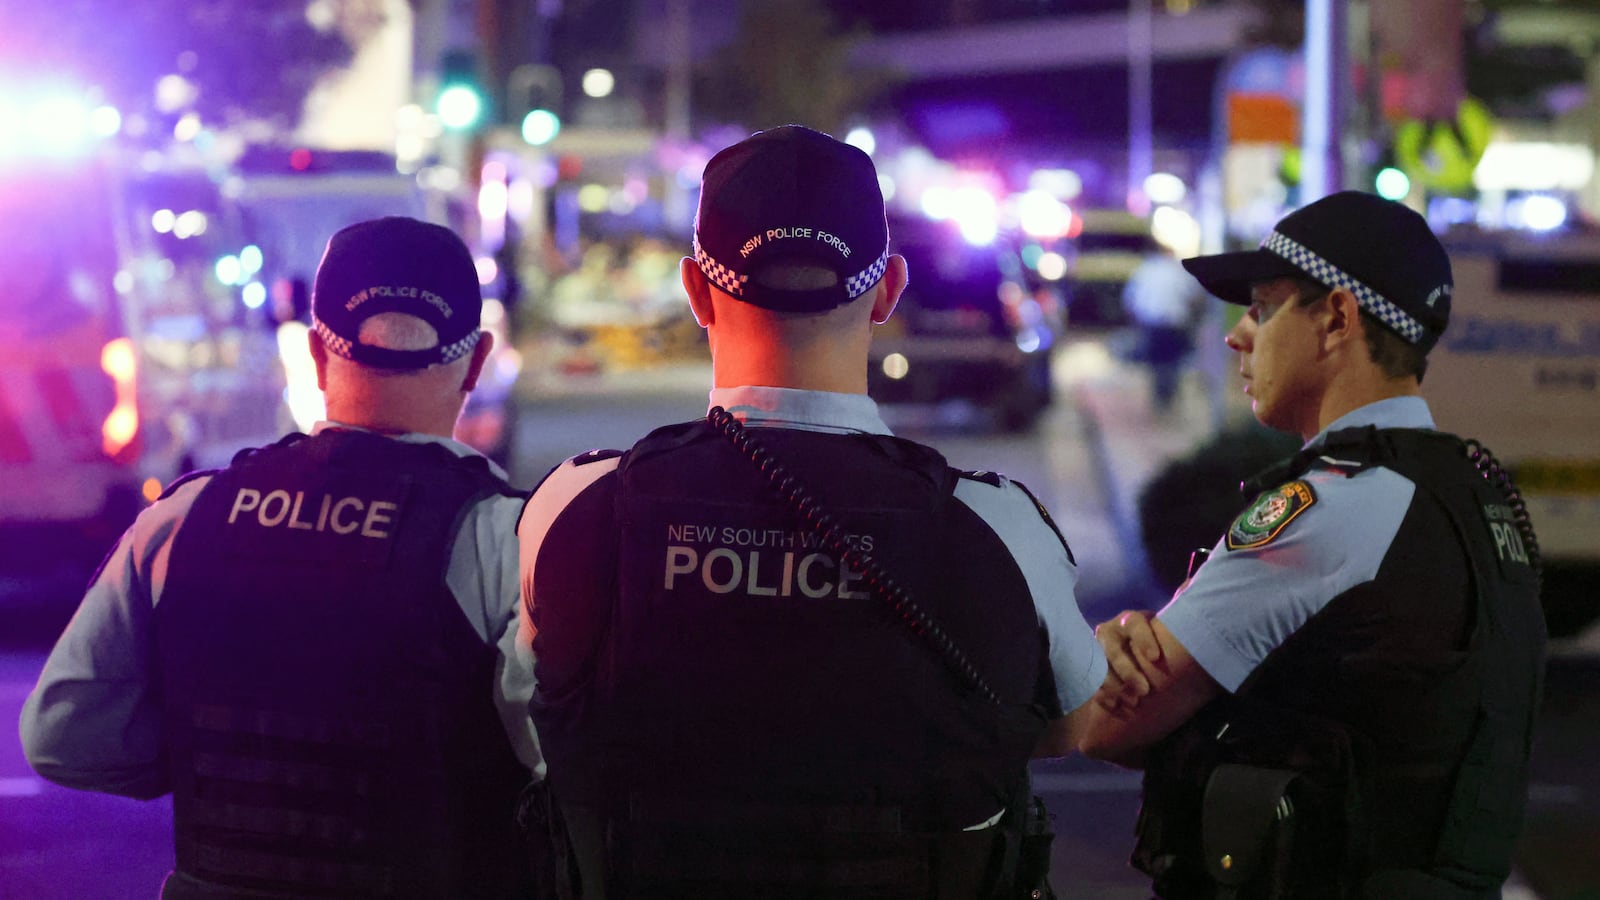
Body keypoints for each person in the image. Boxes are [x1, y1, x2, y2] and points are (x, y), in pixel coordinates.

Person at [516, 125, 1106, 899]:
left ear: (695, 290)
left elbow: (531, 711)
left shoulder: (573, 508)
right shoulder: (1002, 531)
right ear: (889, 289)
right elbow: (1069, 726)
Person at [21, 217, 542, 899]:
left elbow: (61, 736)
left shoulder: (184, 518)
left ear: (317, 356)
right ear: (476, 363)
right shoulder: (503, 537)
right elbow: (552, 756)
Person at [1081, 191, 1547, 898]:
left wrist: (1104, 649)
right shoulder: (1470, 495)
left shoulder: (1328, 509)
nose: (1239, 334)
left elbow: (1106, 726)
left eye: (1264, 307)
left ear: (1336, 318)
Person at [1121, 237, 1205, 413]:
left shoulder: (1146, 270)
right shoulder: (1179, 271)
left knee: (1157, 364)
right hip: (1176, 324)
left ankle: (1160, 400)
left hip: (1153, 324)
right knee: (1172, 363)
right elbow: (1195, 298)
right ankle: (1168, 398)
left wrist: (1136, 322)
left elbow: (1130, 299)